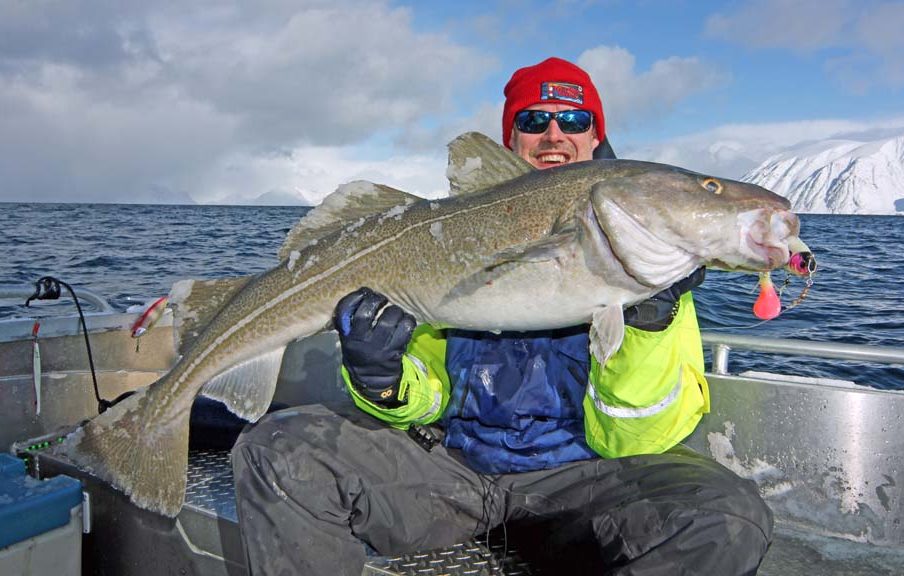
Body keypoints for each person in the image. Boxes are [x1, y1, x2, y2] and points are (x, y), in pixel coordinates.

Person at [233, 57, 773, 575]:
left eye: (574, 120)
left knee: (724, 519)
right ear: (511, 139)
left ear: (595, 139)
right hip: (454, 473)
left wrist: (648, 323)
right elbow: (427, 400)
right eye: (534, 120)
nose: (554, 135)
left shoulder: (659, 273)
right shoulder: (444, 241)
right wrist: (381, 380)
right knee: (277, 451)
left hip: (584, 486)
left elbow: (638, 439)